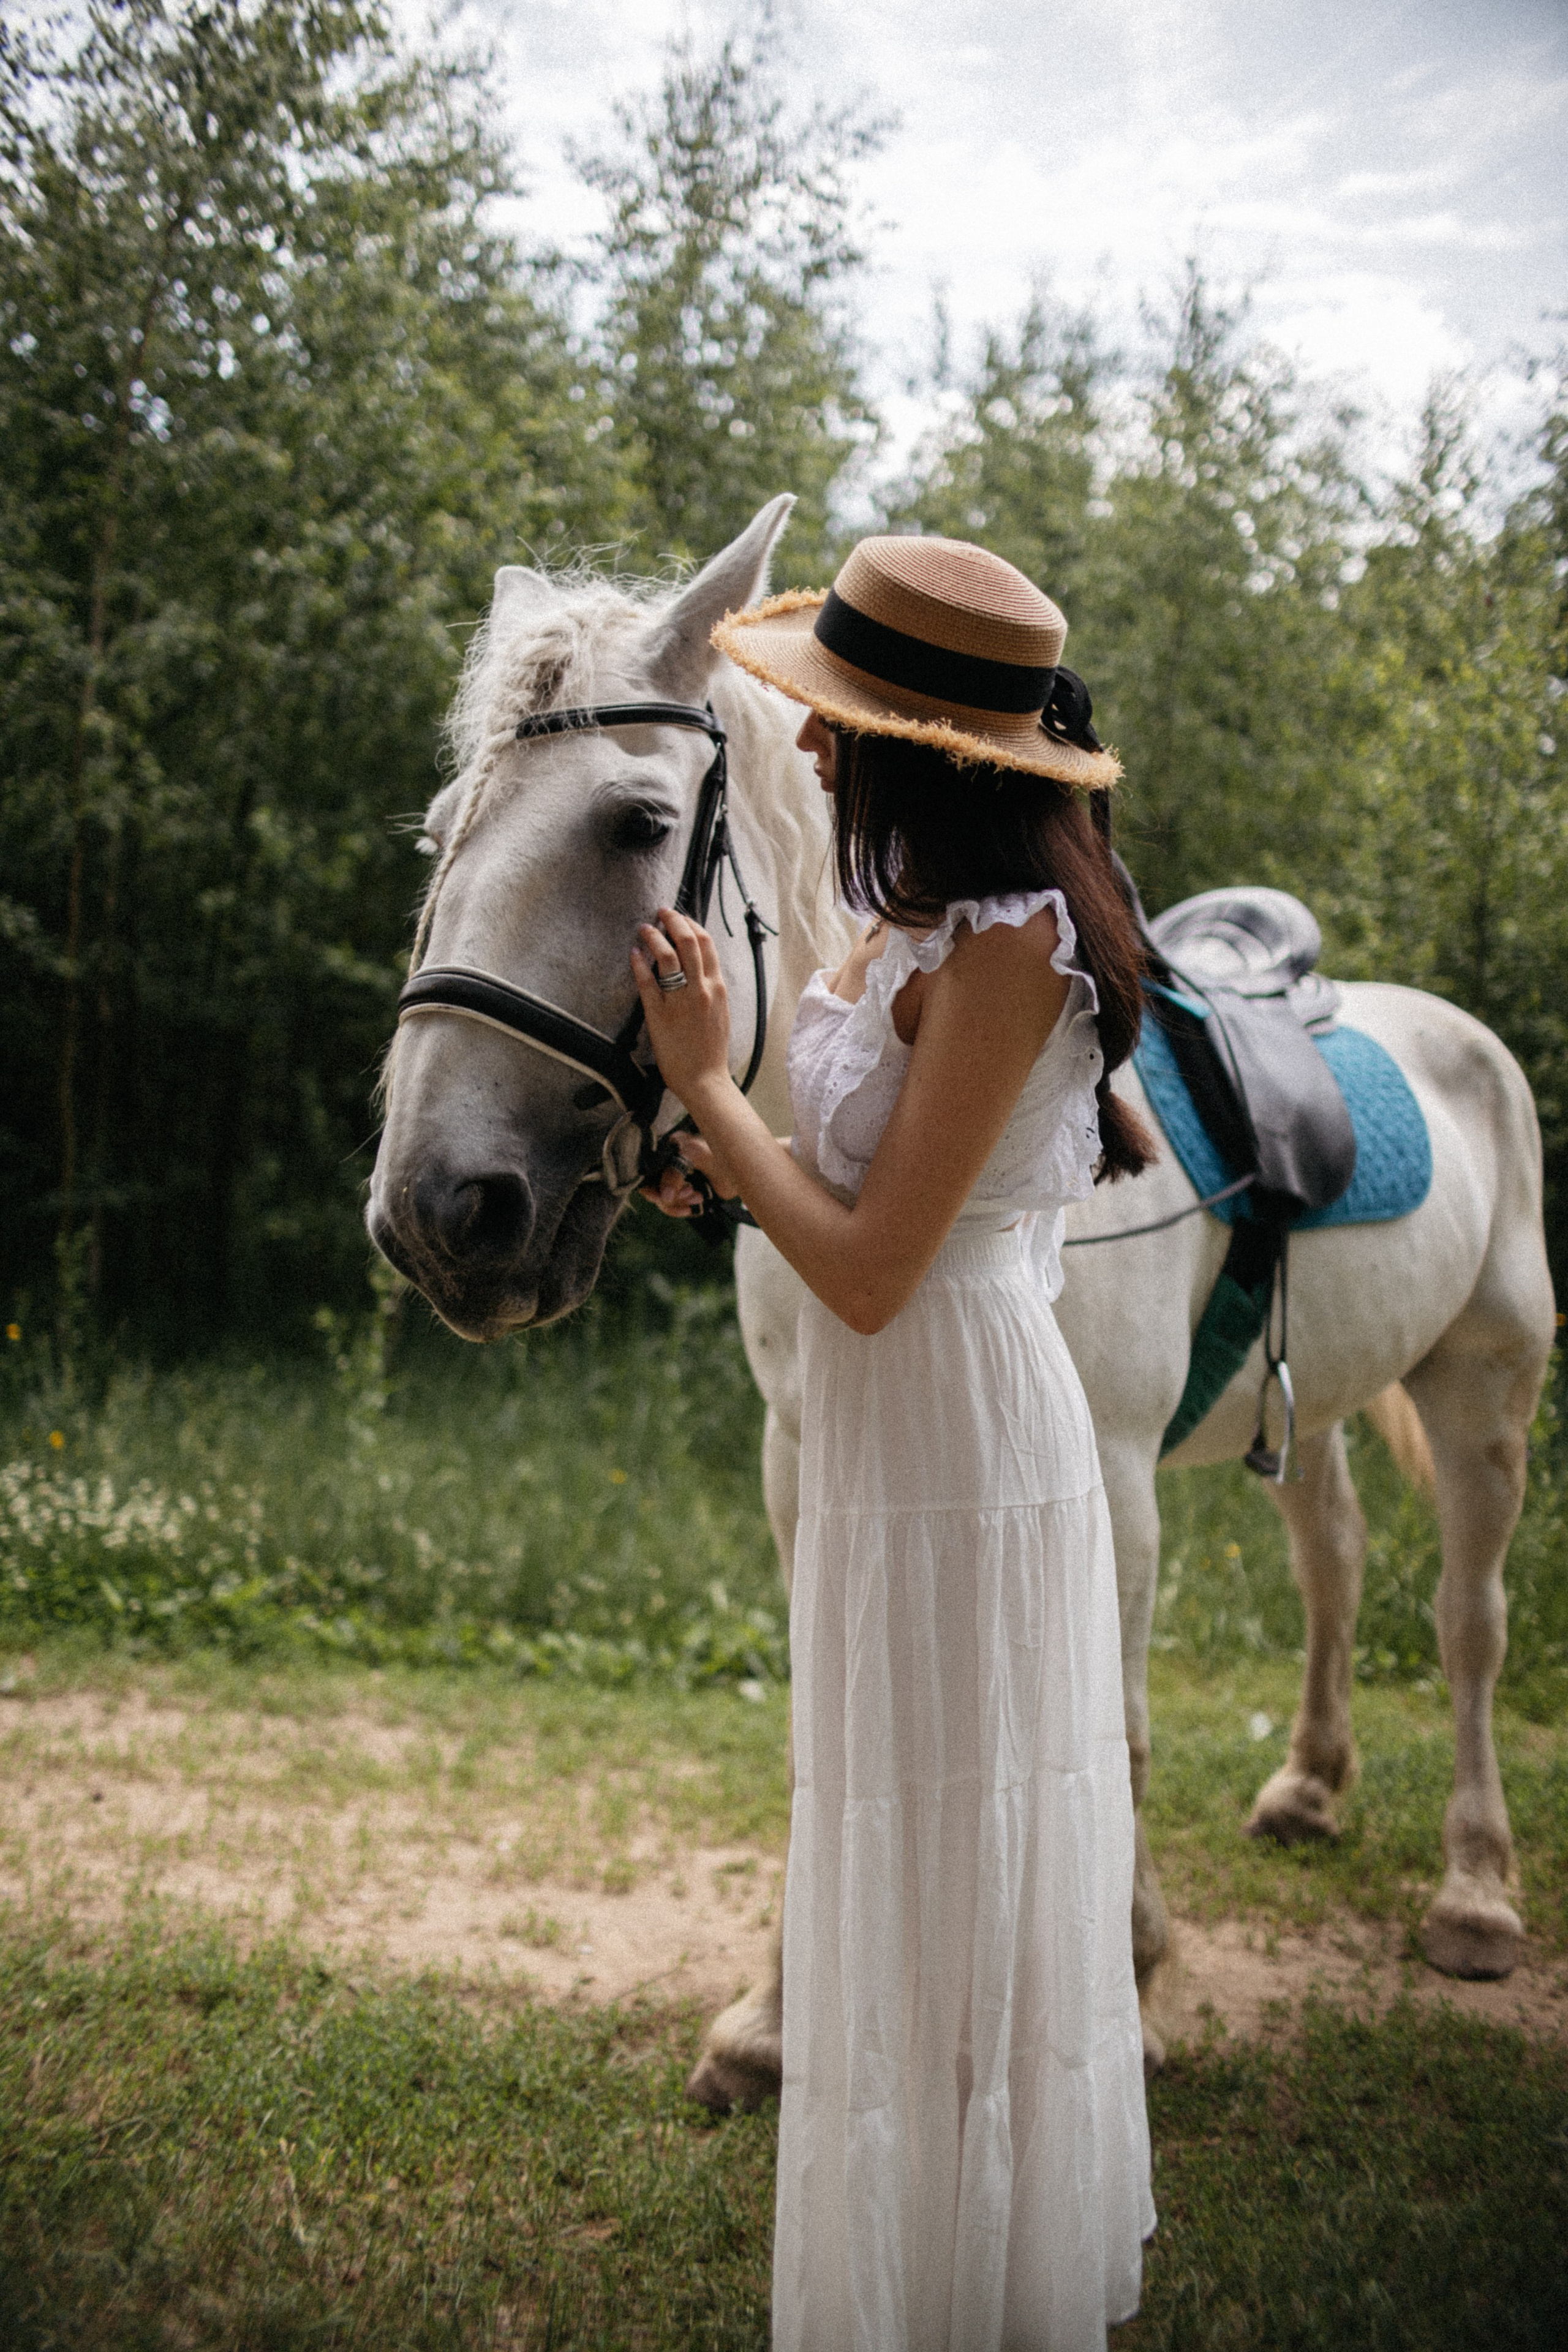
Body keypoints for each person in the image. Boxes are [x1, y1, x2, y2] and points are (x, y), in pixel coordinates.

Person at [631, 534, 1156, 2351]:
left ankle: (971, 2287)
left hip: (960, 1437)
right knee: (896, 1834)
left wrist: (709, 1079)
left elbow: (866, 1274)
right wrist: (724, 1168)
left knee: (963, 1857)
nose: (821, 754)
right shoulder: (906, 924)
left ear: (928, 751)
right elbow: (837, 1194)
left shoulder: (1011, 949)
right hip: (887, 1440)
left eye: (844, 729)